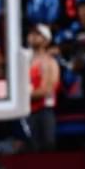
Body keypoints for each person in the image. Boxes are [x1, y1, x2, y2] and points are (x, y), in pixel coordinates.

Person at [28, 23, 60, 151]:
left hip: (44, 110)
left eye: (38, 34)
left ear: (46, 40)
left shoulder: (50, 62)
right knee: (30, 148)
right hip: (27, 110)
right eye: (32, 33)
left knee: (47, 147)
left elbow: (48, 89)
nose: (33, 36)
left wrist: (22, 96)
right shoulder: (24, 61)